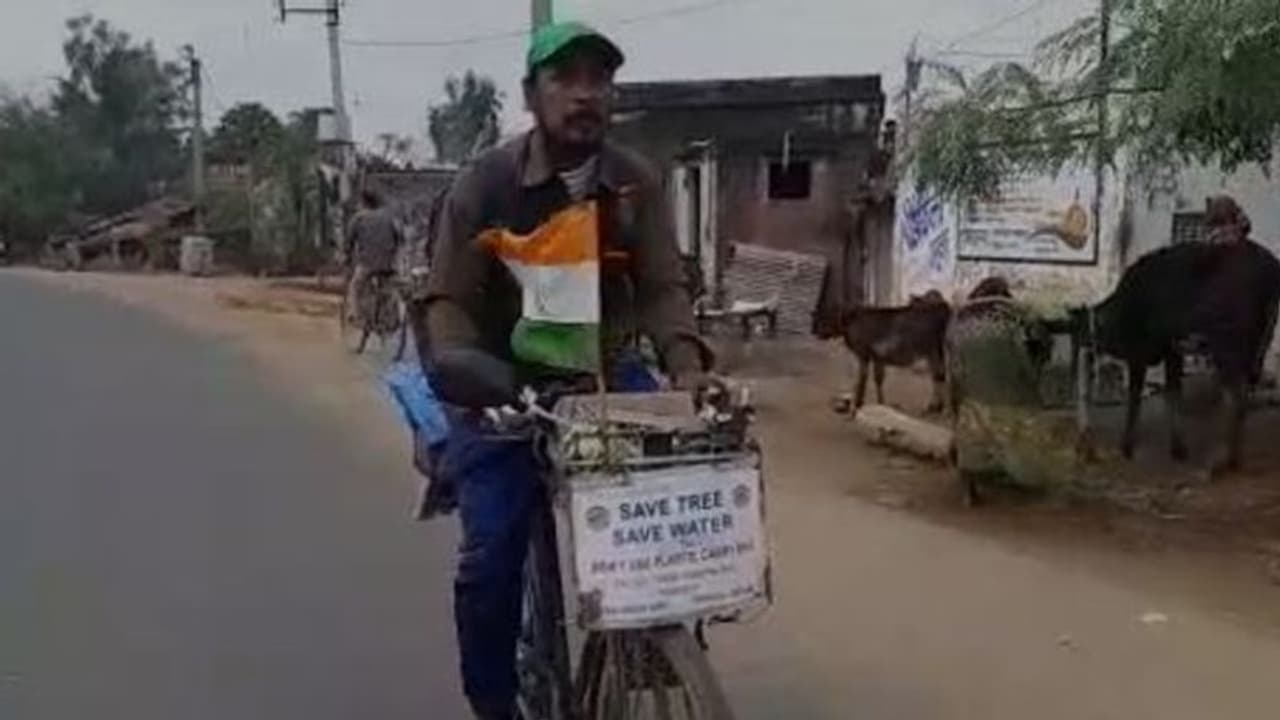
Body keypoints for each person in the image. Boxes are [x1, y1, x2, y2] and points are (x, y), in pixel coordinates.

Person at [418, 21, 712, 719]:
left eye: (598, 80)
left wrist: (688, 365)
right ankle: (493, 702)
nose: (585, 95)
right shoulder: (483, 185)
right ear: (532, 95)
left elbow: (664, 288)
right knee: (491, 557)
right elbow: (448, 304)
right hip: (502, 384)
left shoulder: (634, 181)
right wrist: (468, 373)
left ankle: (651, 652)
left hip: (603, 377)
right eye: (565, 79)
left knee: (676, 519)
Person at [343, 189, 404, 322]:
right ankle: (395, 314)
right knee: (391, 288)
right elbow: (400, 238)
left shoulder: (358, 218)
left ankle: (355, 314)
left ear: (363, 203)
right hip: (388, 264)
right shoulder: (389, 217)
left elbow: (349, 242)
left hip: (367, 264)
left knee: (355, 286)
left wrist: (347, 259)